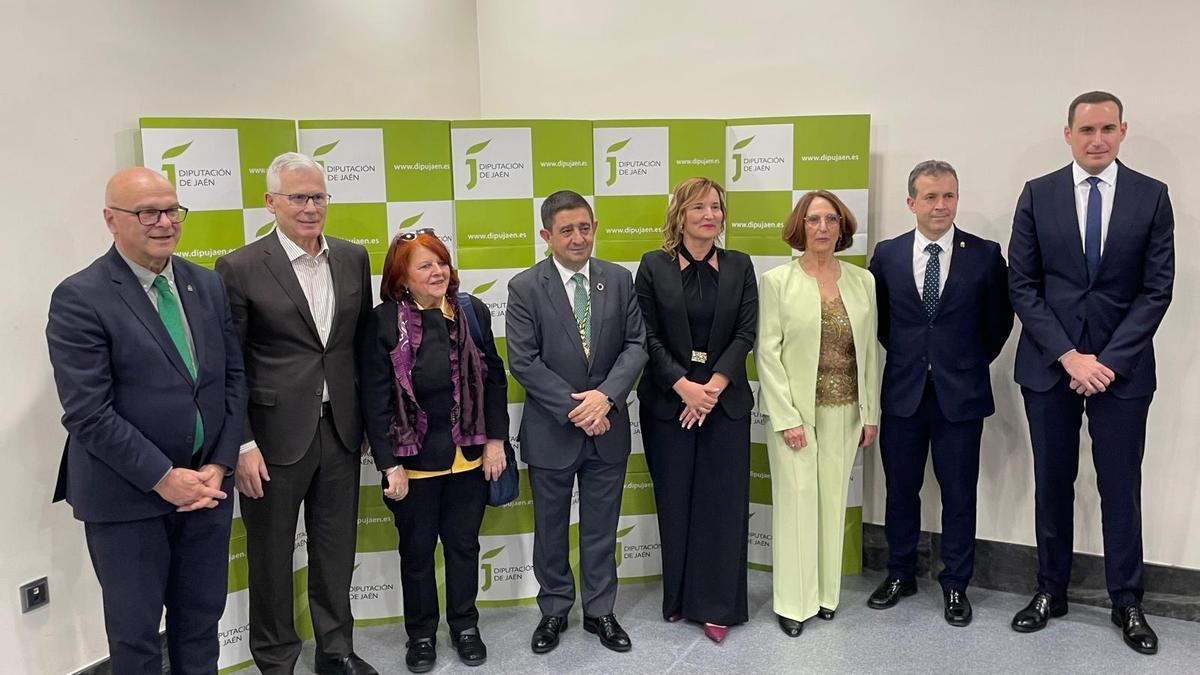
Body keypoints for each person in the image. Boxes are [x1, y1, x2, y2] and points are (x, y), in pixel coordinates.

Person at [46, 168, 246, 673]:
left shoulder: (206, 284)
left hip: (206, 488)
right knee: (135, 638)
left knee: (200, 622)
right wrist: (164, 478)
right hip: (127, 498)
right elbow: (88, 412)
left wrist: (220, 464)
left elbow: (232, 380)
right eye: (147, 212)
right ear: (111, 220)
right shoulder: (80, 296)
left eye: (172, 210)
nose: (164, 222)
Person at [1007, 91, 1174, 655]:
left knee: (1119, 488)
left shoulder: (1152, 197)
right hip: (1051, 367)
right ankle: (1049, 592)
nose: (1096, 139)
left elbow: (1156, 290)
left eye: (1107, 128)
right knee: (1052, 483)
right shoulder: (1038, 195)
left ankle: (1127, 600)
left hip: (1121, 373)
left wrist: (1106, 362)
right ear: (1068, 134)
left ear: (1123, 130)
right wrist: (1069, 356)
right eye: (1086, 130)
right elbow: (1022, 286)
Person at [215, 153, 377, 674]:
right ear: (271, 203)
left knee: (335, 550)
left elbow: (360, 348)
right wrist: (241, 443)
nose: (311, 208)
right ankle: (277, 659)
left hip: (341, 430)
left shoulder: (353, 258)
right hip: (271, 439)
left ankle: (336, 651)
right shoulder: (239, 267)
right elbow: (229, 366)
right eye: (298, 198)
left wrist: (371, 425)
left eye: (319, 197)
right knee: (271, 555)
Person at [866, 160, 1013, 626]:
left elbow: (999, 322)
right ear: (910, 202)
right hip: (905, 392)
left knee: (958, 493)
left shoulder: (985, 254)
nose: (940, 205)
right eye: (930, 197)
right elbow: (882, 324)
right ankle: (900, 573)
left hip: (960, 395)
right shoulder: (887, 255)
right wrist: (917, 358)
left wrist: (962, 361)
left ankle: (955, 585)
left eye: (948, 195)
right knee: (900, 491)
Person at [359, 229, 509, 673]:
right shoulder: (384, 321)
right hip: (413, 463)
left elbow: (495, 379)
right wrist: (389, 465)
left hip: (468, 455)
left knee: (464, 546)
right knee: (417, 552)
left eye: (441, 262)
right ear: (402, 276)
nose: (437, 271)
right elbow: (375, 398)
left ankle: (465, 626)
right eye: (425, 265)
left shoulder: (470, 311)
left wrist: (496, 441)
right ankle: (421, 635)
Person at [505, 190, 648, 654]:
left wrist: (605, 399)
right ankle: (553, 611)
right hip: (553, 432)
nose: (578, 237)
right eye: (566, 230)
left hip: (608, 428)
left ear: (595, 227)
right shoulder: (525, 287)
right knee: (550, 528)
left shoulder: (619, 279)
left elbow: (636, 346)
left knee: (601, 528)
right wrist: (581, 409)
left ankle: (601, 612)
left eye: (585, 227)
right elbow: (523, 362)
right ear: (547, 235)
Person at [634, 177, 757, 643]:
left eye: (716, 207)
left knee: (722, 507)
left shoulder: (740, 266)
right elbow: (645, 334)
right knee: (676, 503)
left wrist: (712, 389)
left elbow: (746, 333)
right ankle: (678, 598)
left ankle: (718, 606)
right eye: (699, 207)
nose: (710, 215)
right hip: (670, 404)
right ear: (680, 215)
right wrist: (685, 387)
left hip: (725, 406)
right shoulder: (652, 266)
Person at [756, 190, 879, 637]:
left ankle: (826, 595)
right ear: (800, 228)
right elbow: (767, 354)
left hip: (846, 411)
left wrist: (870, 412)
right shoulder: (777, 282)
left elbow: (868, 352)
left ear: (842, 227)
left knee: (831, 503)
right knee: (796, 504)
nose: (823, 228)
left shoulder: (862, 281)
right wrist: (787, 418)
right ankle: (793, 602)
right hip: (796, 414)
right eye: (813, 220)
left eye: (831, 219)